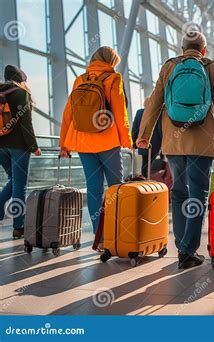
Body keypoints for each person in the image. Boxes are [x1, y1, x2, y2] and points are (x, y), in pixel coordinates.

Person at [136, 31, 214, 270]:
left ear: (182, 49)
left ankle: (182, 245)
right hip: (202, 142)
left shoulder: (170, 66)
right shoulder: (211, 66)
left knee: (179, 192)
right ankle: (188, 251)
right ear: (204, 50)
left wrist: (144, 136)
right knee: (198, 194)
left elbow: (154, 102)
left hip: (174, 141)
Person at [60, 46, 132, 251]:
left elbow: (68, 114)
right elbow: (120, 113)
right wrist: (127, 141)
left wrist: (64, 144)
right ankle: (118, 235)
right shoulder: (113, 79)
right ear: (111, 62)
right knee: (116, 188)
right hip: (108, 142)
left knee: (93, 190)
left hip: (83, 142)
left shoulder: (80, 79)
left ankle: (99, 237)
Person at [0, 65, 41, 239]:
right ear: (21, 79)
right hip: (19, 147)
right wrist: (34, 146)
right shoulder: (21, 93)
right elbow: (26, 124)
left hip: (1, 147)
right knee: (19, 186)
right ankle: (19, 226)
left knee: (14, 181)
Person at [131, 97, 163, 177]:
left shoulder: (139, 112)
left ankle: (145, 180)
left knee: (145, 163)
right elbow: (160, 129)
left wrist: (134, 142)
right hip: (155, 143)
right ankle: (151, 180)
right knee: (152, 163)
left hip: (142, 142)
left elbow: (135, 128)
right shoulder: (157, 113)